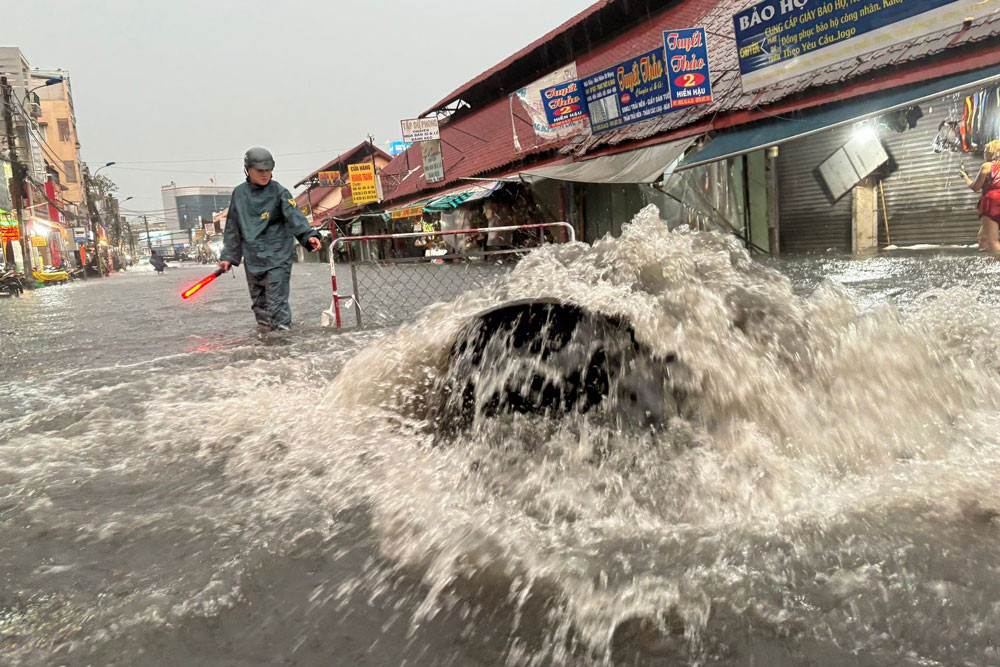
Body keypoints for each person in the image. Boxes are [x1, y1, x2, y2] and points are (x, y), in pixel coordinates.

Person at [219, 147, 321, 331]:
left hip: (277, 257)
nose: (265, 174)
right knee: (259, 306)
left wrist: (308, 236)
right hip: (253, 258)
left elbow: (294, 215)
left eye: (268, 170)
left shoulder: (279, 192)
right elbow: (233, 227)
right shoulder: (239, 194)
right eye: (260, 171)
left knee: (276, 306)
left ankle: (284, 348)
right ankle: (267, 347)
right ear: (247, 169)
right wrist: (228, 256)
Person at [961, 139, 1000, 253]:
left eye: (986, 151)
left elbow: (975, 187)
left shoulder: (987, 166)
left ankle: (996, 266)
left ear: (993, 152)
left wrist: (965, 178)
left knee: (992, 240)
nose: (984, 154)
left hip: (992, 202)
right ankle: (988, 261)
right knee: (982, 237)